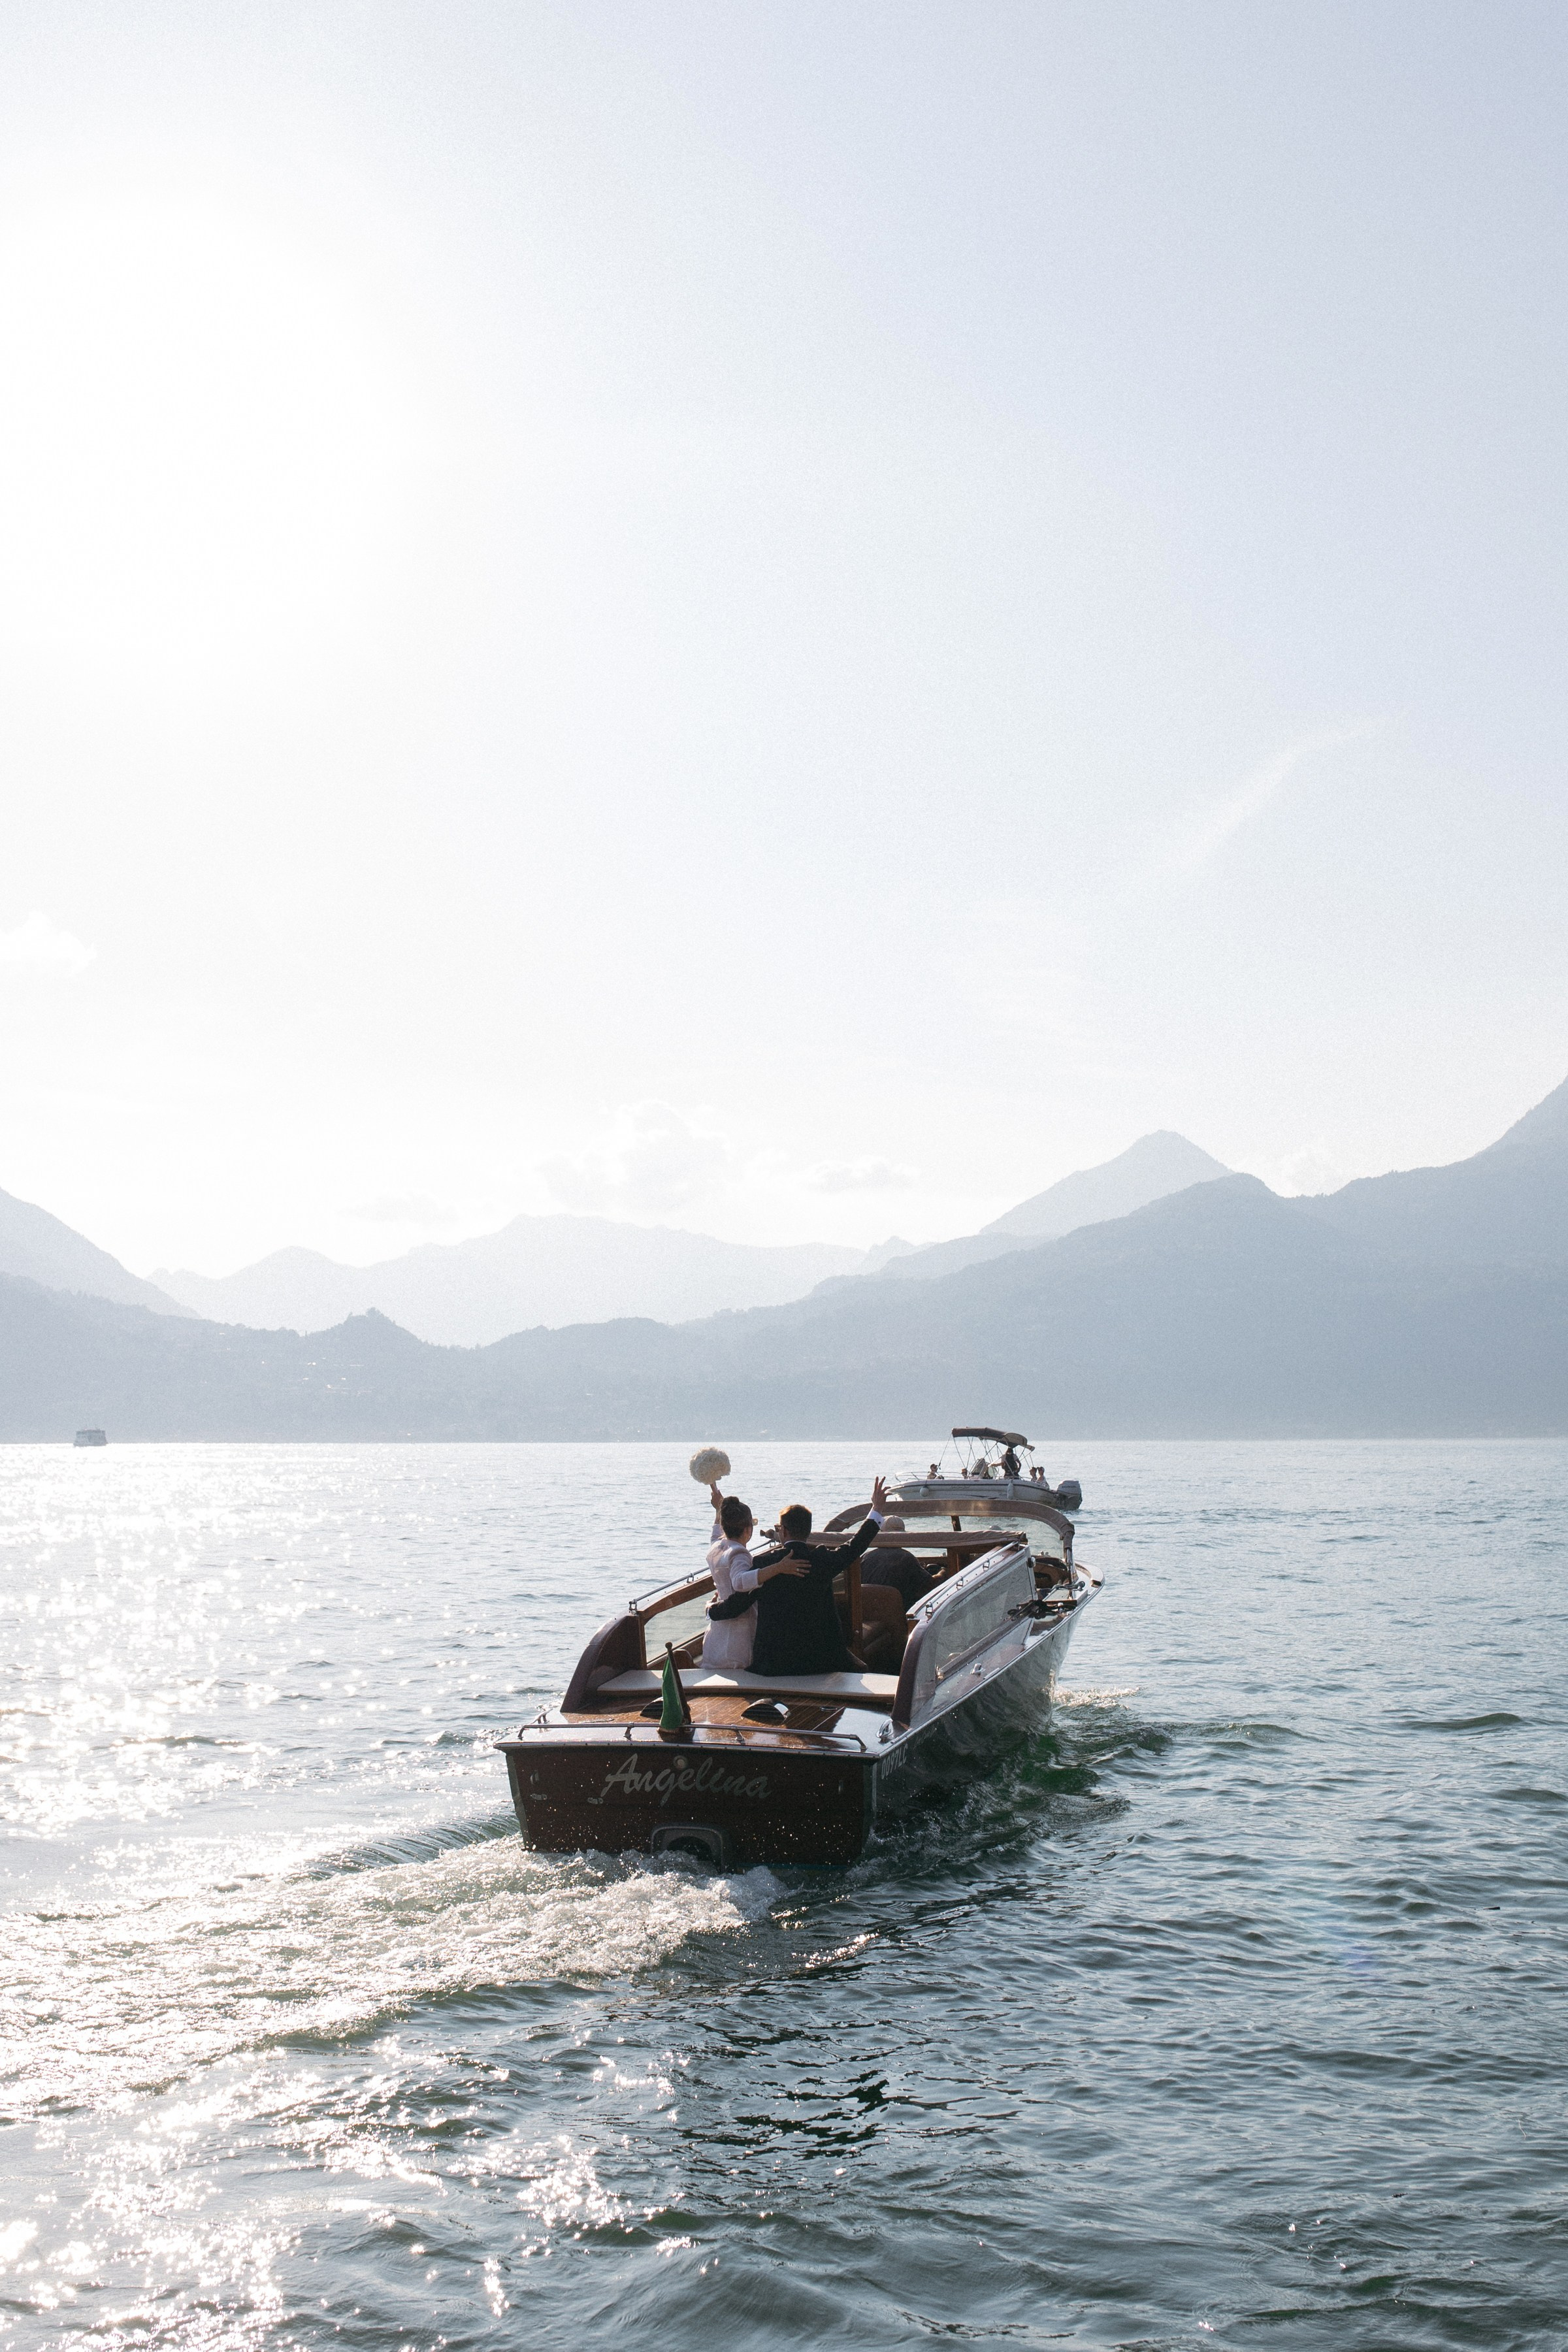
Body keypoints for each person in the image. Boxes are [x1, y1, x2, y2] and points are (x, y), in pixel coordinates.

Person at [713, 1477, 890, 1676]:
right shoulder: (821, 1560)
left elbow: (738, 1604)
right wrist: (876, 1509)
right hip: (822, 1661)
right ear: (807, 1531)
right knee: (862, 1669)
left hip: (774, 1664)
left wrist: (712, 1610)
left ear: (784, 1531)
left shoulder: (764, 1565)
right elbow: (855, 1546)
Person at [700, 1483, 805, 1671]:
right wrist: (779, 1567)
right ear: (748, 1529)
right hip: (738, 1634)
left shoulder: (717, 1547)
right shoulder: (739, 1553)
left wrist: (718, 1510)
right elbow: (740, 1583)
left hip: (717, 1633)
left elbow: (715, 1534)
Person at [859, 1514, 933, 1611]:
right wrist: (942, 1572)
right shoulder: (907, 1558)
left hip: (867, 1610)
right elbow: (930, 1585)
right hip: (897, 1612)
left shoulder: (866, 1557)